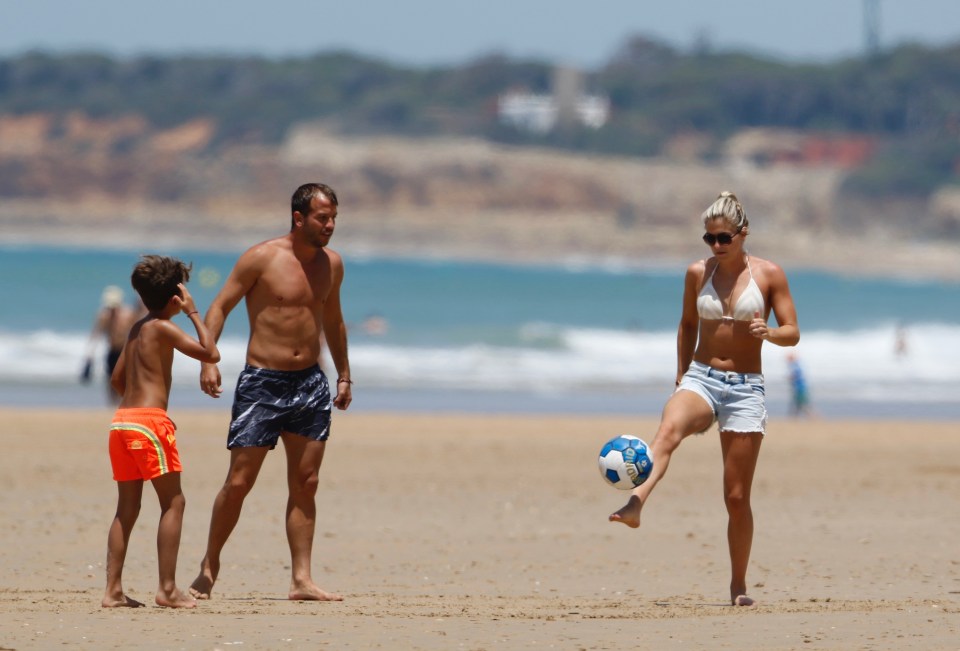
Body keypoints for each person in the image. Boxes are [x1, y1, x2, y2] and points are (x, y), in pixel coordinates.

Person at [609, 191, 800, 607]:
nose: (716, 246)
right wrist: (680, 377)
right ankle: (634, 503)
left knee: (735, 496)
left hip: (746, 387)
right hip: (701, 376)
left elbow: (793, 331)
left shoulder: (769, 275)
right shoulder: (698, 272)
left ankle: (738, 586)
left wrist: (769, 333)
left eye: (724, 238)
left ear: (742, 233)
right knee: (666, 433)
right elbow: (687, 324)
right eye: (709, 239)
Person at [189, 182, 352, 602]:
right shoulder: (261, 258)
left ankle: (301, 579)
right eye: (322, 218)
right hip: (263, 382)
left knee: (307, 481)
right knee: (240, 481)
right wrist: (209, 358)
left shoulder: (332, 264)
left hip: (310, 383)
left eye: (333, 217)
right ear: (299, 218)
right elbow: (220, 305)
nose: (330, 225)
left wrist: (344, 375)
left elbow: (333, 320)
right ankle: (209, 566)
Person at [103, 255, 221, 609]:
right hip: (150, 421)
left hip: (122, 421)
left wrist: (137, 398)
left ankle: (112, 591)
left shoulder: (137, 328)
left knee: (127, 507)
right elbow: (210, 353)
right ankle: (167, 589)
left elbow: (117, 379)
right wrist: (194, 314)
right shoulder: (163, 327)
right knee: (174, 501)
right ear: (176, 298)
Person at [82, 285, 144, 404]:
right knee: (111, 380)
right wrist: (89, 355)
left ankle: (126, 404)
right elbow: (96, 334)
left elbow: (140, 320)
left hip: (125, 352)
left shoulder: (127, 313)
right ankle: (112, 405)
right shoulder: (103, 315)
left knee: (127, 380)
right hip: (112, 352)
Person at [786, 353, 814, 417]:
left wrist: (790, 378)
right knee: (798, 405)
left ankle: (813, 417)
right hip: (799, 388)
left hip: (800, 388)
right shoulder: (796, 365)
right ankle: (794, 418)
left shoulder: (795, 365)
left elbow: (796, 375)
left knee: (803, 405)